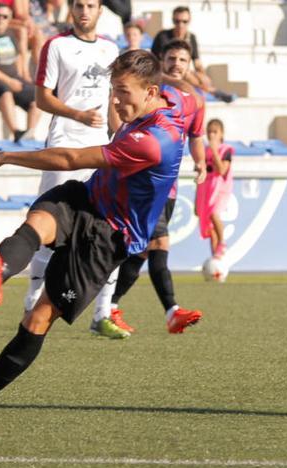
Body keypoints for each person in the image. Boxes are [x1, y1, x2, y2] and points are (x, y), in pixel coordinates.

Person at [0, 49, 201, 436]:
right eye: (113, 90)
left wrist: (6, 156)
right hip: (88, 198)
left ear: (150, 91)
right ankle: (0, 268)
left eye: (123, 93)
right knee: (39, 223)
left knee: (38, 318)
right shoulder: (177, 98)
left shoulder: (153, 142)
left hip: (109, 238)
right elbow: (194, 99)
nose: (115, 100)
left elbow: (69, 157)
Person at [28, 0, 123, 338]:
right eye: (79, 5)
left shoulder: (110, 48)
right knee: (46, 224)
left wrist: (118, 135)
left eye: (91, 5)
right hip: (64, 143)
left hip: (99, 150)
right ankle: (30, 304)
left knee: (110, 229)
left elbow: (113, 98)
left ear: (100, 11)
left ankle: (103, 313)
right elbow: (42, 98)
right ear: (71, 10)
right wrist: (78, 115)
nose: (85, 10)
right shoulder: (57, 46)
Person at [105, 39, 206, 335]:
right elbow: (117, 126)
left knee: (140, 253)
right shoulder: (145, 95)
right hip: (143, 182)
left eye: (182, 60)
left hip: (168, 187)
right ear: (161, 62)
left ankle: (109, 305)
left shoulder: (191, 101)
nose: (176, 64)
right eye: (171, 58)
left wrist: (200, 163)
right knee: (159, 243)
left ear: (190, 65)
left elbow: (196, 135)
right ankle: (172, 310)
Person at [0, 3, 40, 142]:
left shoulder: (10, 33)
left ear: (9, 19)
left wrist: (22, 77)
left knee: (38, 95)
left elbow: (16, 57)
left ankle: (29, 133)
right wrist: (9, 81)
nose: (0, 19)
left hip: (13, 77)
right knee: (5, 90)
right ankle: (16, 132)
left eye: (5, 17)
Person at [150, 6, 233, 103]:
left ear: (189, 21)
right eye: (177, 21)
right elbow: (154, 61)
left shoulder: (191, 37)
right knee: (187, 74)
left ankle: (209, 90)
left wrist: (203, 76)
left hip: (184, 71)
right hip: (165, 70)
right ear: (173, 21)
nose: (180, 25)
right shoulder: (162, 36)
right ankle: (213, 91)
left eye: (184, 21)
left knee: (203, 78)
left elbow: (197, 63)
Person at [196, 119, 233, 258]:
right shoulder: (203, 151)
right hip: (206, 189)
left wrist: (214, 151)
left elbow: (222, 169)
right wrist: (196, 200)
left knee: (214, 214)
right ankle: (216, 257)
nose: (212, 135)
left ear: (221, 134)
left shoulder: (226, 150)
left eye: (215, 132)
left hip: (220, 189)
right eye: (209, 132)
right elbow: (200, 174)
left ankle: (222, 242)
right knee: (208, 225)